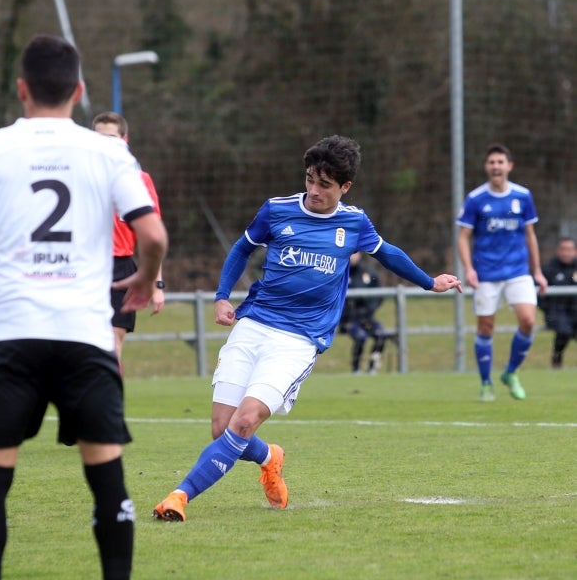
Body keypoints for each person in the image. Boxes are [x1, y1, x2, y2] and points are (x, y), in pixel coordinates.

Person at [0, 35, 167, 580]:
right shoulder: (110, 152)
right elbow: (152, 233)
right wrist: (147, 279)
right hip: (85, 337)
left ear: (22, 89)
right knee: (109, 489)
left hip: (11, 337)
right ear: (80, 92)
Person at [152, 135, 461, 522]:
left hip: (298, 340)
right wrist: (221, 295)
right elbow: (242, 248)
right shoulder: (276, 210)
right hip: (253, 325)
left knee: (244, 422)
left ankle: (178, 497)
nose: (314, 191)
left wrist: (429, 282)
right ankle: (269, 456)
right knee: (222, 429)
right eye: (310, 180)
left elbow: (388, 254)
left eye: (324, 185)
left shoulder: (354, 222)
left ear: (344, 187)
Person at [456, 143, 548, 402]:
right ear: (486, 167)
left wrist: (537, 271)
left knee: (528, 321)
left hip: (518, 271)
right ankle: (486, 383)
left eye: (500, 162)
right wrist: (469, 269)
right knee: (486, 327)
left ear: (509, 166)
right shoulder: (476, 199)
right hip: (486, 272)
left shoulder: (522, 196)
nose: (496, 166)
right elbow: (463, 237)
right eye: (492, 162)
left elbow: (530, 236)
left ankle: (510, 373)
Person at [91, 111, 166, 366]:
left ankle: (108, 404)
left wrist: (156, 285)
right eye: (99, 139)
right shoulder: (82, 177)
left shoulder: (139, 180)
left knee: (112, 345)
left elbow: (152, 237)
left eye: (111, 138)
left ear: (124, 139)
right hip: (85, 265)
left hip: (120, 268)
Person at [340, 251, 387, 373]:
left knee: (380, 334)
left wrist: (370, 308)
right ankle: (356, 368)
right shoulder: (340, 272)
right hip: (348, 319)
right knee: (361, 337)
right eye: (350, 253)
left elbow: (378, 296)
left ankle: (372, 367)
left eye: (354, 253)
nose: (352, 257)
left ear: (359, 254)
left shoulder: (368, 273)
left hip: (366, 317)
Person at [539, 236, 577, 368]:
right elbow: (539, 294)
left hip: (574, 311)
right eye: (563, 249)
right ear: (558, 251)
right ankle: (556, 359)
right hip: (556, 312)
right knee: (564, 330)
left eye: (569, 249)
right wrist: (546, 309)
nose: (566, 252)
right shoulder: (549, 269)